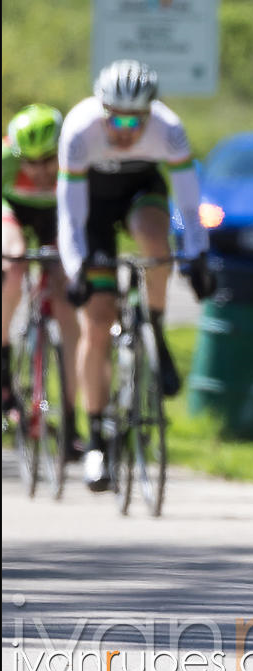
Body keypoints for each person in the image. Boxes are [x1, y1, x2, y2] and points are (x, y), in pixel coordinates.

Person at [56, 59, 216, 491]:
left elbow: (187, 200)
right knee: (97, 318)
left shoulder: (169, 128)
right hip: (93, 208)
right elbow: (70, 214)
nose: (125, 129)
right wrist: (77, 271)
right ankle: (94, 440)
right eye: (116, 117)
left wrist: (198, 255)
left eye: (135, 119)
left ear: (151, 113)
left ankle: (156, 331)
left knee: (153, 237)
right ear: (101, 108)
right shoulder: (79, 128)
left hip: (141, 192)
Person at [2, 104, 82, 455]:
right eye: (29, 162)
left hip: (55, 215)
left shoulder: (76, 157)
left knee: (66, 301)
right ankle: (3, 354)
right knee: (15, 259)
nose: (38, 170)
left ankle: (69, 420)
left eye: (47, 160)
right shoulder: (6, 160)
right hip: (11, 210)